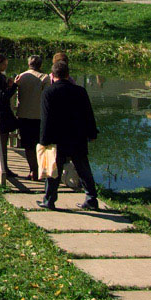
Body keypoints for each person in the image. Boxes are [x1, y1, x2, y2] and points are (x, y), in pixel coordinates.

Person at [38, 59, 99, 211]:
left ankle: (49, 200)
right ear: (68, 75)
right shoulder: (80, 91)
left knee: (54, 170)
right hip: (77, 136)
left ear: (52, 75)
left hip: (57, 137)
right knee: (83, 169)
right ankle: (91, 198)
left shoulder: (49, 92)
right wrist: (92, 133)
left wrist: (43, 140)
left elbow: (46, 118)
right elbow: (88, 115)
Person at [14, 55, 48, 179]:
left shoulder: (21, 77)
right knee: (40, 144)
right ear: (40, 65)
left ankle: (32, 171)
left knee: (28, 145)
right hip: (39, 116)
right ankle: (41, 170)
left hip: (23, 115)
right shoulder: (45, 78)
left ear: (29, 64)